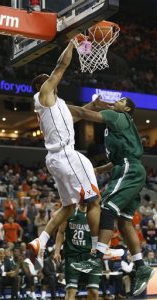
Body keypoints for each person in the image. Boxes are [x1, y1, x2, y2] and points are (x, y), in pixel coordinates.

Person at [68, 96, 155, 296]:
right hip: (126, 168)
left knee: (106, 206)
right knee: (124, 223)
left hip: (128, 168)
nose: (117, 100)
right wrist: (100, 170)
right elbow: (118, 159)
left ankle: (97, 256)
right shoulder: (119, 123)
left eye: (122, 99)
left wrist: (58, 106)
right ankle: (141, 266)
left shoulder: (117, 115)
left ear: (127, 108)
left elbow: (81, 113)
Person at [28, 41, 101, 268]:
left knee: (69, 207)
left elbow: (77, 115)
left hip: (57, 159)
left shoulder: (56, 104)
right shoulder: (44, 96)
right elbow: (60, 66)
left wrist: (94, 105)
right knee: (93, 199)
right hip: (66, 155)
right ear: (42, 85)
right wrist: (71, 42)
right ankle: (99, 247)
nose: (50, 79)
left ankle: (41, 241)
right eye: (46, 78)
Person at [54, 204, 100, 300]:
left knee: (94, 292)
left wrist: (100, 247)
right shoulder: (70, 212)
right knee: (71, 291)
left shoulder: (96, 213)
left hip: (91, 257)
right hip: (72, 257)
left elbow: (105, 233)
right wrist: (57, 251)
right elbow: (60, 232)